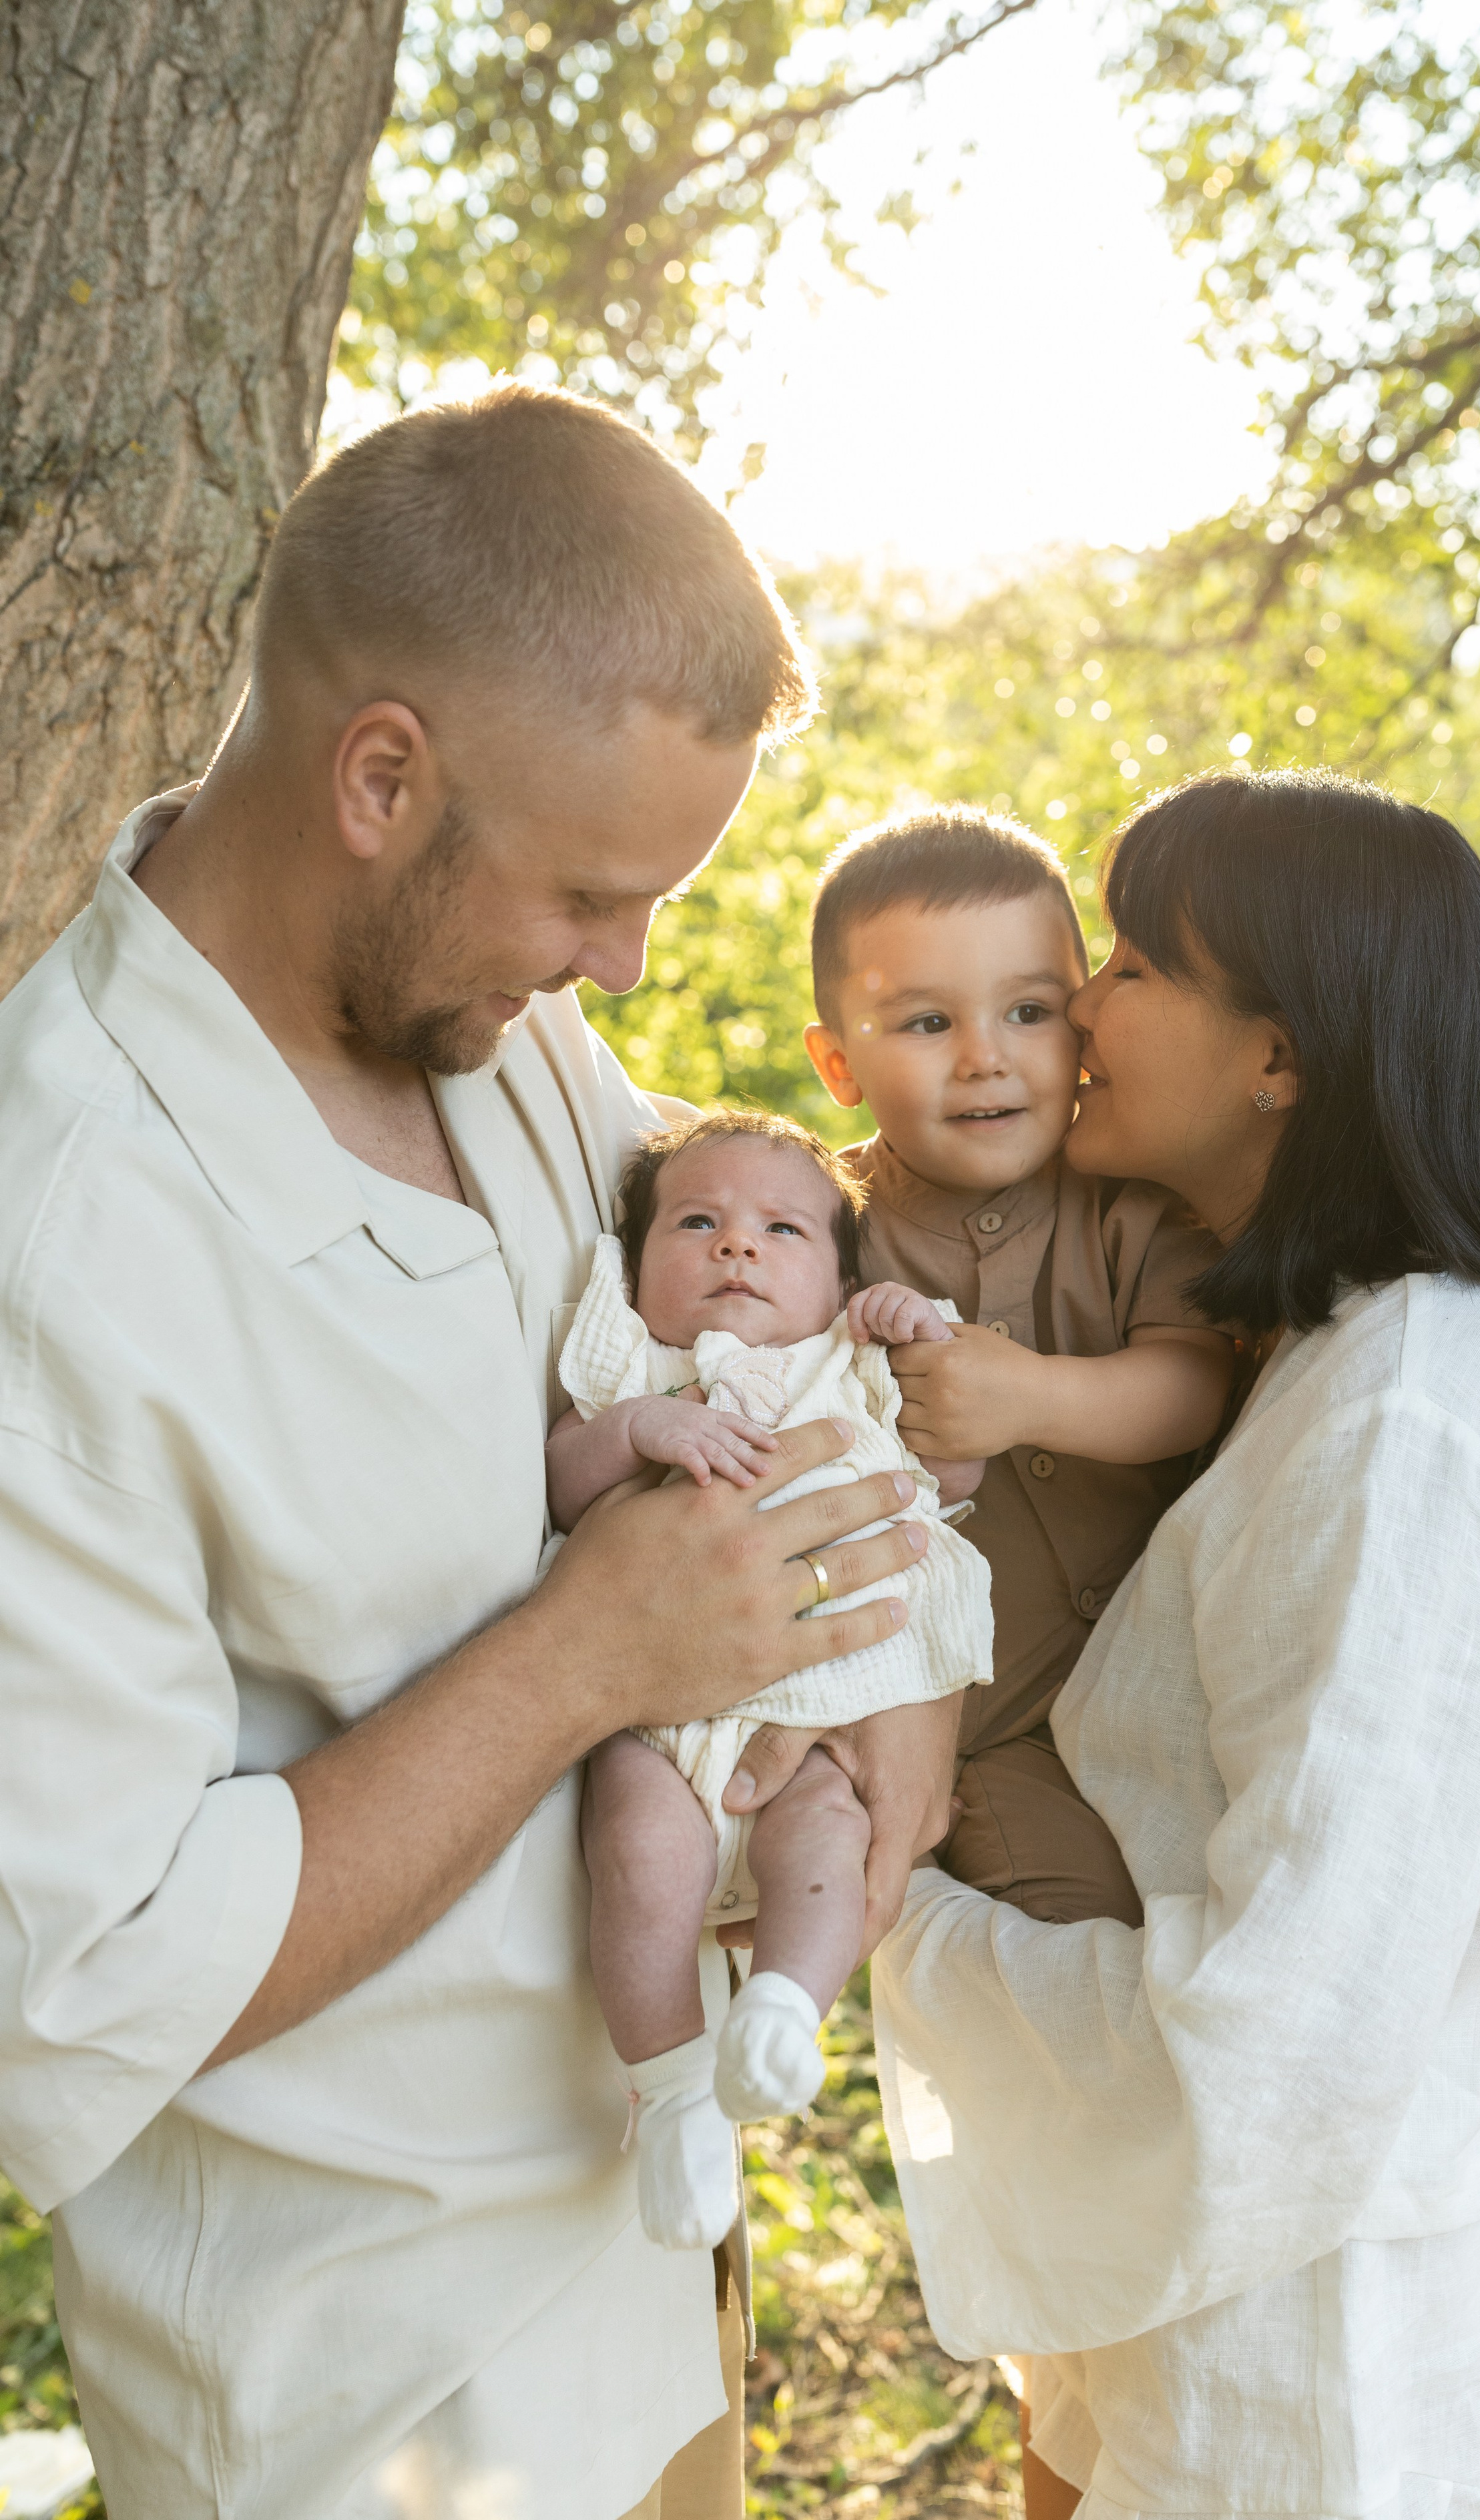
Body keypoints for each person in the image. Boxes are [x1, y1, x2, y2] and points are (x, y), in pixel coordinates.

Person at [0, 384, 959, 2520]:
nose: (624, 966)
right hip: (382, 2404)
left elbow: (736, 1305)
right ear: (381, 777)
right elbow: (80, 1987)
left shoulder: (494, 1027)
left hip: (650, 2257)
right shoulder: (53, 1242)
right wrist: (585, 1656)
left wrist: (895, 1675)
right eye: (594, 892)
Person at [872, 767, 1480, 2520]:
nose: (1078, 1006)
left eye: (1134, 964)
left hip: (1317, 2374)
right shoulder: (1325, 1359)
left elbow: (1288, 2031)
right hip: (1220, 2299)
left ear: (1277, 1055)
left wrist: (900, 1919)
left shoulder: (1413, 1419)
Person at [550, 1110, 992, 2252]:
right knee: (637, 1851)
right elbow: (561, 1484)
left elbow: (951, 1477)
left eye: (782, 1230)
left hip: (819, 1718)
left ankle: (788, 2013)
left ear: (841, 1281)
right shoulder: (635, 1369)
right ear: (637, 1265)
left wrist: (917, 1337)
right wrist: (638, 1433)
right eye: (697, 1223)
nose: (737, 1245)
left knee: (829, 1839)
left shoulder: (853, 1363)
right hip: (659, 1723)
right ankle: (672, 2095)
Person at [804, 809, 1239, 1925]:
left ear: (1083, 1026)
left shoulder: (1131, 1202)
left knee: (1244, 1883)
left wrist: (1035, 1396)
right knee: (1082, 1917)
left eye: (1030, 1011)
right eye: (928, 1021)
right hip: (982, 1721)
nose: (985, 1056)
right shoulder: (824, 1224)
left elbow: (1195, 1385)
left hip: (1172, 1672)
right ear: (840, 1063)